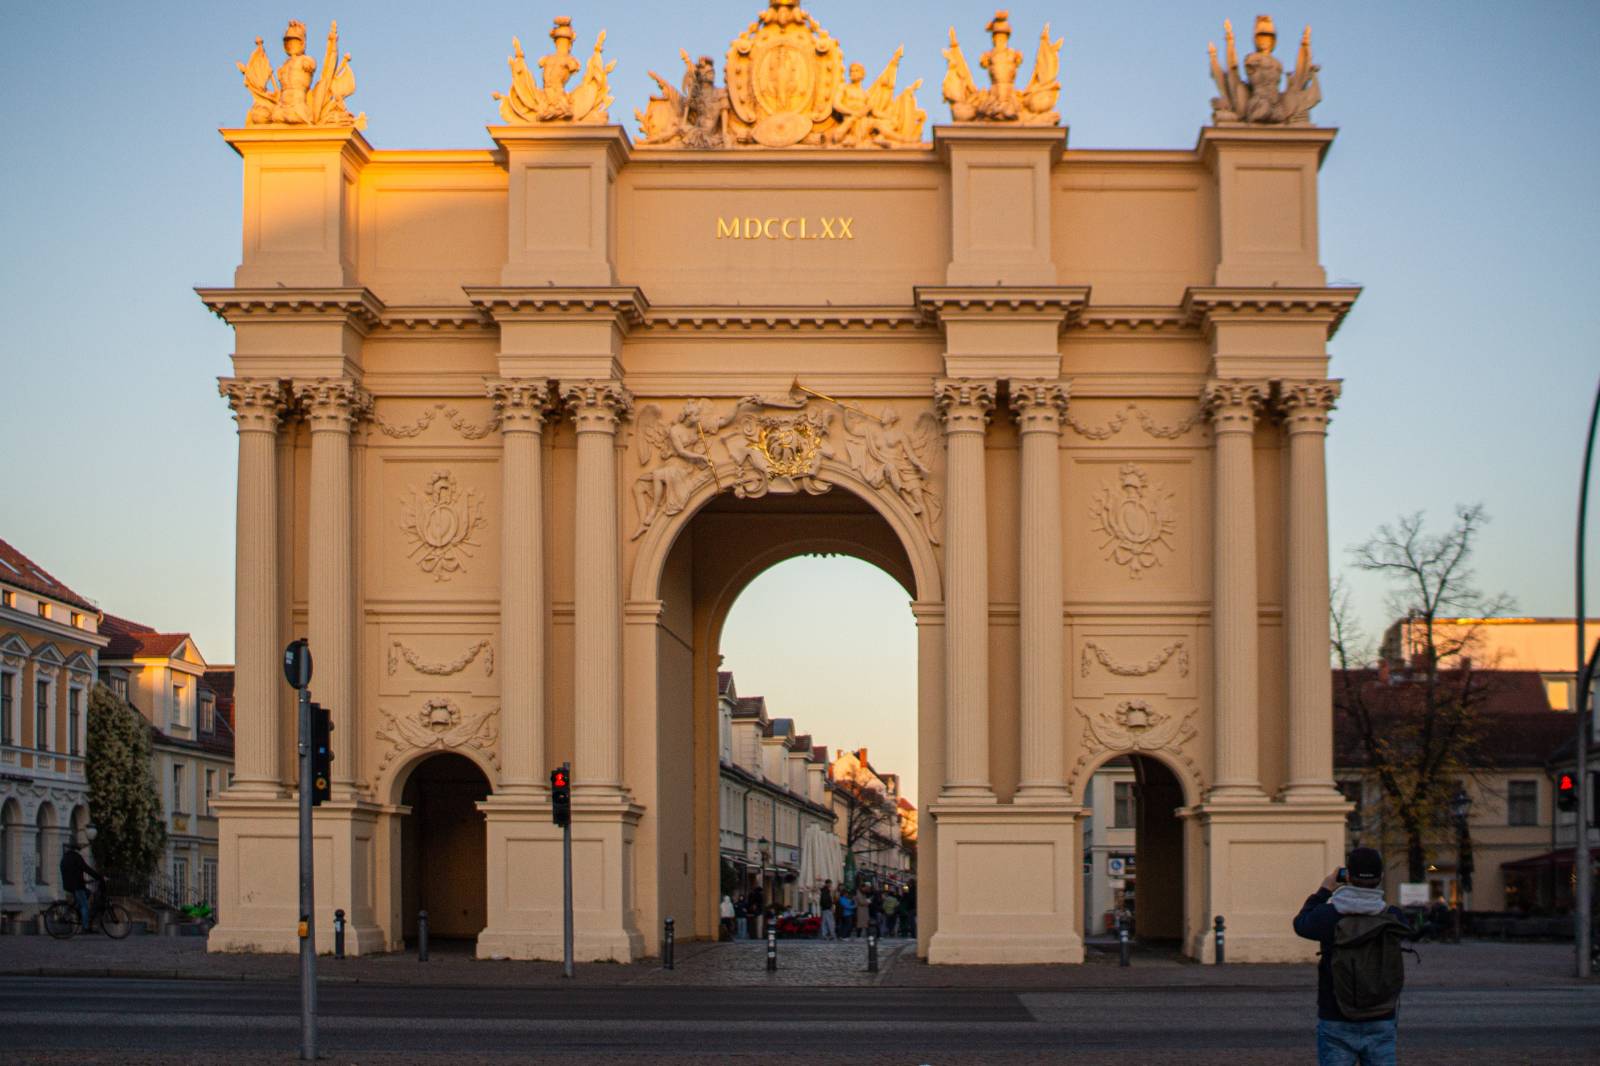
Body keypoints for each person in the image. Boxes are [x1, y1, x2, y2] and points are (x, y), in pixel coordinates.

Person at [1293, 847, 1413, 1066]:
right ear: (1380, 878)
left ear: (1347, 876)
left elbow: (1301, 924)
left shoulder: (1329, 916)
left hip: (1336, 1014)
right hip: (1381, 1013)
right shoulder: (1393, 917)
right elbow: (1409, 931)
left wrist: (1325, 890)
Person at [60, 839, 102, 930]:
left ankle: (74, 910)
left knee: (87, 893)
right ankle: (85, 927)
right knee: (85, 905)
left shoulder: (65, 857)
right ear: (76, 849)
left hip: (68, 885)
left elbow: (71, 872)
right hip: (77, 885)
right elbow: (86, 869)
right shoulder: (76, 857)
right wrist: (99, 877)